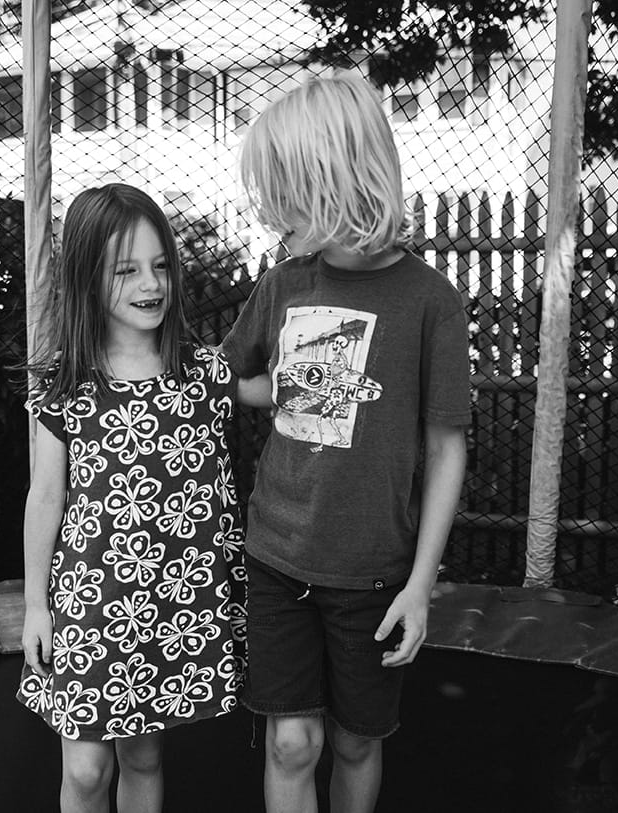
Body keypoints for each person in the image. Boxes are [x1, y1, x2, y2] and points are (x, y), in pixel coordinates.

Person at [221, 74, 471, 813]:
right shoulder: (284, 285)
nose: (272, 214)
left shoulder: (431, 303)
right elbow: (231, 377)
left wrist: (420, 584)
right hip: (276, 558)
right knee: (291, 744)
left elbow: (447, 449)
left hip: (373, 574)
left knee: (359, 741)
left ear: (331, 182)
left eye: (285, 195)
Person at [17, 183, 270, 813]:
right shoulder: (67, 385)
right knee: (84, 772)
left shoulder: (201, 373)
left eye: (160, 266)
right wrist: (35, 607)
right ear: (86, 278)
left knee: (144, 758)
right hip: (92, 602)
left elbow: (285, 388)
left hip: (169, 603)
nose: (150, 283)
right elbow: (44, 498)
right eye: (125, 270)